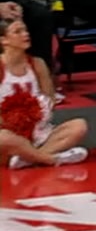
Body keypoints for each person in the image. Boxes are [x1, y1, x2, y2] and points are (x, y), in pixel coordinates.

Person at [0, 16, 87, 167]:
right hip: (7, 130)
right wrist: (13, 120)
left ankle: (28, 158)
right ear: (3, 40)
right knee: (4, 138)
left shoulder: (37, 64)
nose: (25, 34)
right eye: (17, 32)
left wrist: (37, 114)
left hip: (37, 130)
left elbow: (50, 99)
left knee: (79, 126)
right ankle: (50, 159)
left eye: (25, 30)